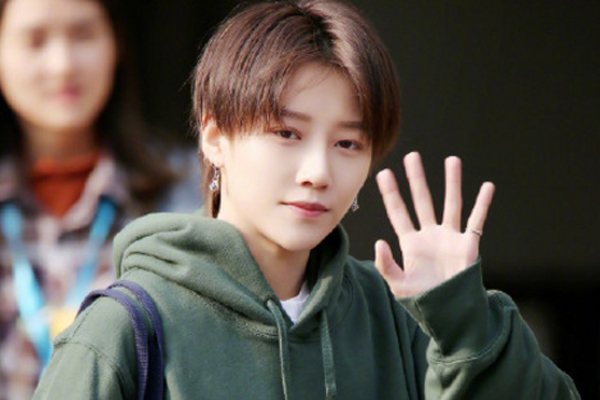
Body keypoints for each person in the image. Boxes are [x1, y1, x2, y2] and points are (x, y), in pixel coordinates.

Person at [33, 0, 579, 399]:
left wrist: (465, 320)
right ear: (214, 137)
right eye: (287, 134)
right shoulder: (124, 331)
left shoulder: (397, 320)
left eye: (347, 144)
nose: (318, 173)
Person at [0, 0, 201, 398]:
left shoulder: (190, 197)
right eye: (35, 40)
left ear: (117, 43)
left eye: (83, 34)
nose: (62, 65)